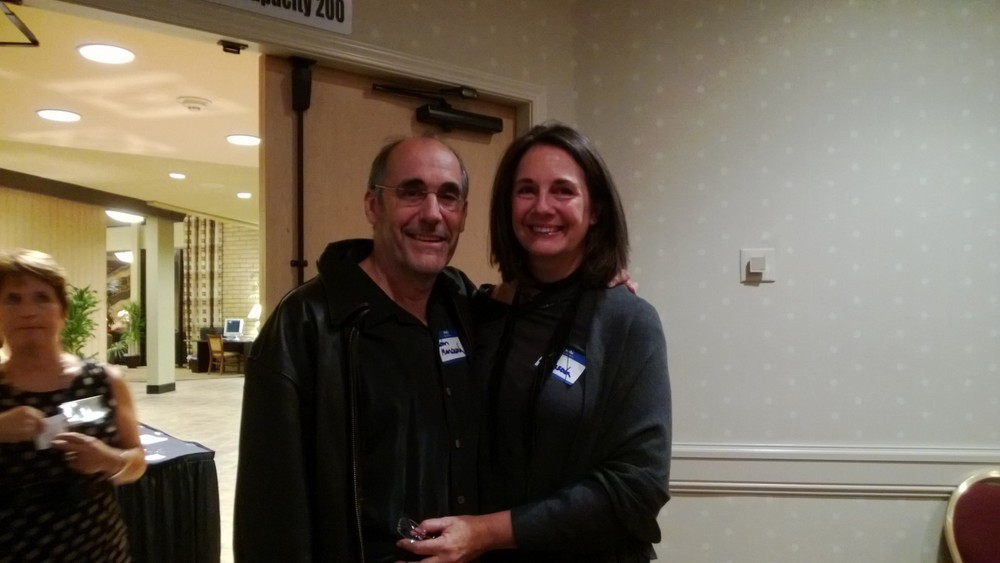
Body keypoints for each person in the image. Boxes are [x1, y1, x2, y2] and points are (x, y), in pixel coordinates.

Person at [398, 123, 672, 562]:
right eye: (526, 190)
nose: (542, 207)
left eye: (563, 191)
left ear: (595, 209)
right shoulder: (478, 314)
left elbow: (639, 487)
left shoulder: (627, 322)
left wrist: (486, 533)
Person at [234, 136, 482, 562]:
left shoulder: (463, 305)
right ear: (372, 205)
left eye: (448, 196)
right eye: (411, 192)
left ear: (462, 214)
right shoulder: (306, 324)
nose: (432, 213)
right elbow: (270, 512)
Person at [0, 248, 147, 561]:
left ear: (62, 311)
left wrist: (109, 459)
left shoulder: (105, 381)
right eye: (13, 299)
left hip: (99, 547)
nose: (28, 311)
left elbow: (137, 462)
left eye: (42, 297)